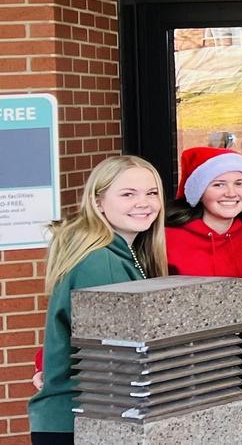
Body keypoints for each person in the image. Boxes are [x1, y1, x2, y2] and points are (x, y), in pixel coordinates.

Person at [30, 156, 169, 445]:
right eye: (128, 194)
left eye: (151, 193)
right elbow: (114, 358)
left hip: (88, 417)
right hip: (84, 421)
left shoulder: (120, 253)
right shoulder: (100, 261)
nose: (143, 203)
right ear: (98, 202)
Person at [165, 146, 242, 282]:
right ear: (199, 192)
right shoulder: (169, 238)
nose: (231, 193)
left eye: (239, 184)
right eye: (219, 185)